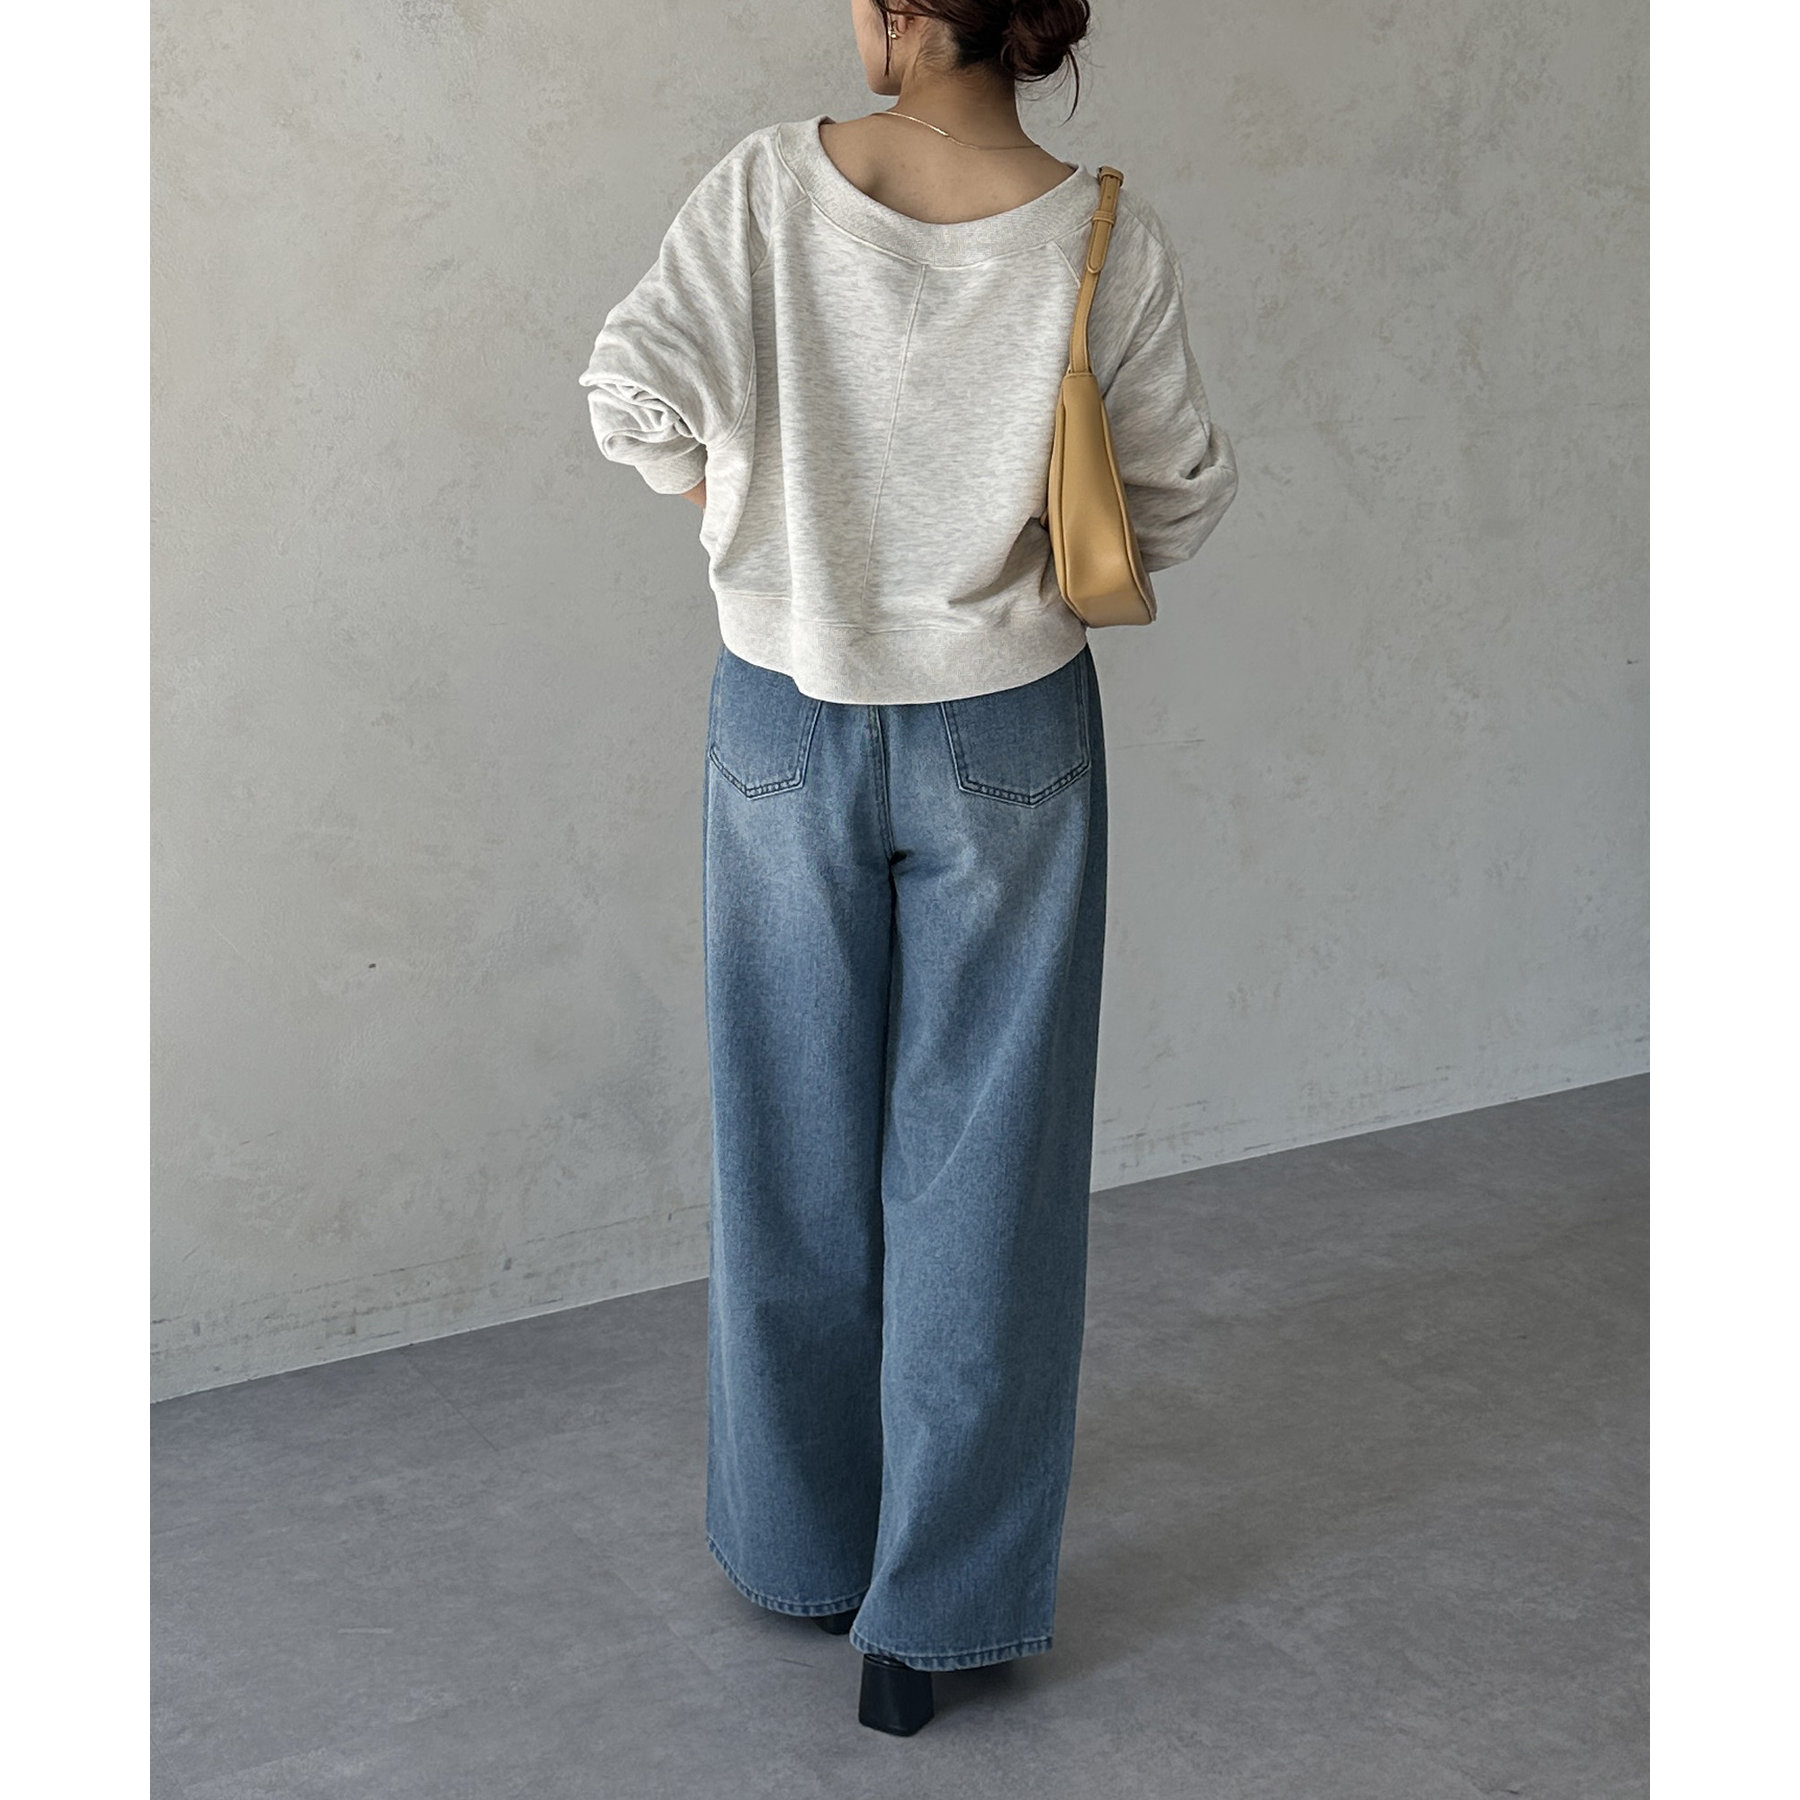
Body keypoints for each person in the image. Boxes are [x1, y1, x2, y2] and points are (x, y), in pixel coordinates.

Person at [577, 0, 1237, 1737]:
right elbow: (1175, 492)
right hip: (1009, 732)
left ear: (900, 11)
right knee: (987, 1174)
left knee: (787, 1140)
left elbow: (629, 392)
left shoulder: (762, 191)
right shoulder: (1101, 232)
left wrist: (751, 523)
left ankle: (802, 1552)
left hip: (781, 718)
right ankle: (932, 1623)